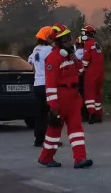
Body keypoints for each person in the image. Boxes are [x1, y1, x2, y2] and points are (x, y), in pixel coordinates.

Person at [37, 24, 93, 169]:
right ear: (58, 41)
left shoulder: (70, 55)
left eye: (69, 37)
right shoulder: (53, 58)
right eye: (65, 38)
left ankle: (80, 159)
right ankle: (45, 157)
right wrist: (53, 106)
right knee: (54, 132)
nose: (69, 41)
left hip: (73, 97)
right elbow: (50, 84)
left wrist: (75, 58)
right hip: (60, 98)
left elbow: (81, 70)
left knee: (76, 129)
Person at [28, 26, 55, 148]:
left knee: (40, 114)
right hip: (48, 85)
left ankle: (38, 139)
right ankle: (51, 140)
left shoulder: (36, 50)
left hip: (37, 84)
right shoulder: (49, 50)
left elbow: (32, 66)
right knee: (52, 113)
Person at [80, 25, 105, 124]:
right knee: (98, 94)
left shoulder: (88, 44)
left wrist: (81, 70)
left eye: (84, 33)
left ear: (87, 34)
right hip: (100, 73)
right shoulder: (97, 44)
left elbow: (86, 59)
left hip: (91, 73)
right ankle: (99, 115)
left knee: (89, 94)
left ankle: (92, 114)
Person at [74, 36, 88, 122]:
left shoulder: (76, 53)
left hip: (79, 76)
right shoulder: (86, 51)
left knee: (80, 95)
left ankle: (83, 114)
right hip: (87, 75)